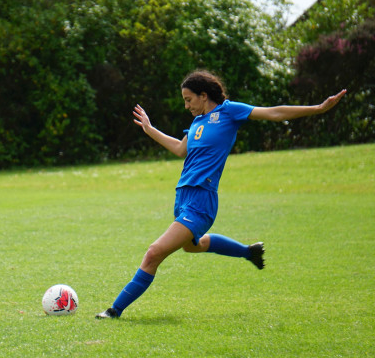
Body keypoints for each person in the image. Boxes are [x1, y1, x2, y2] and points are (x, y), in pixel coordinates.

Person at [96, 70, 346, 319]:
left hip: (201, 201)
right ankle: (249, 252)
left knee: (153, 253)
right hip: (182, 198)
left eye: (189, 99)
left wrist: (317, 109)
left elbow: (274, 112)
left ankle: (114, 310)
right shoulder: (196, 123)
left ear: (204, 96)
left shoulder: (228, 111)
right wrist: (150, 129)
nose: (186, 105)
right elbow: (180, 149)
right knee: (192, 247)